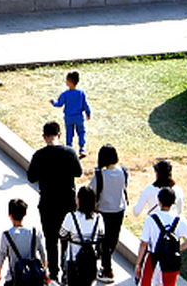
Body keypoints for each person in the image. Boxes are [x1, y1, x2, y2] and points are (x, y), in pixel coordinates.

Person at [26, 121, 83, 272]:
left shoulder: (39, 155)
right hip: (68, 203)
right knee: (67, 239)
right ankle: (66, 269)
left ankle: (53, 271)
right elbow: (79, 172)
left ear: (44, 136)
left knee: (51, 240)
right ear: (59, 135)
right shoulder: (69, 152)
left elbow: (31, 177)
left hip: (47, 203)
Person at [138, 189, 187, 286]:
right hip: (171, 260)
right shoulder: (179, 219)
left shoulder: (151, 219)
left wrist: (138, 264)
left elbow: (144, 244)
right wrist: (179, 248)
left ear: (159, 201)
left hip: (153, 259)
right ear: (173, 202)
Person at [89, 146, 127, 281]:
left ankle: (107, 270)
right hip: (119, 210)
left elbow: (91, 191)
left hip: (104, 211)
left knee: (103, 241)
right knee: (113, 239)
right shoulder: (123, 172)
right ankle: (107, 262)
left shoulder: (100, 176)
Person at [58, 186, 103, 286]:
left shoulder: (71, 217)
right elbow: (101, 235)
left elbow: (62, 234)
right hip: (90, 262)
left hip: (74, 263)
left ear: (78, 200)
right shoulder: (98, 218)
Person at [0, 197, 45, 286]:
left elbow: (1, 255)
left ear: (9, 215)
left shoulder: (7, 235)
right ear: (25, 214)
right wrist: (45, 272)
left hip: (14, 278)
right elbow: (42, 253)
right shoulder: (35, 232)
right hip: (33, 277)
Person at [51, 70, 91, 156]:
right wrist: (88, 113)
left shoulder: (65, 94)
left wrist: (53, 102)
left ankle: (69, 148)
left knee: (69, 133)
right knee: (81, 132)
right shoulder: (81, 93)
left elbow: (59, 104)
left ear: (69, 82)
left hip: (68, 117)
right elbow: (85, 104)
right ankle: (82, 148)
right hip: (79, 117)